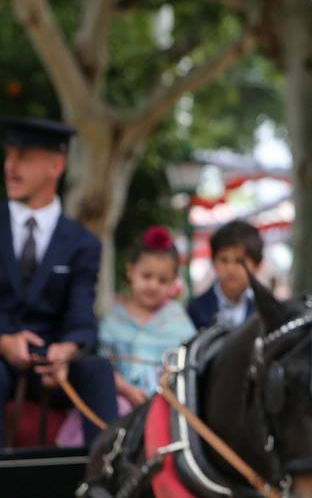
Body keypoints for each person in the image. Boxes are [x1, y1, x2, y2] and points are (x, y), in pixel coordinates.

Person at [0, 115, 116, 446]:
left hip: (51, 363)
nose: (11, 166)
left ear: (56, 166)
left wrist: (68, 349)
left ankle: (105, 484)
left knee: (97, 371)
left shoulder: (84, 242)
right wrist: (4, 341)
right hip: (2, 356)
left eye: (24, 157)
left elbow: (82, 311)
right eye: (9, 155)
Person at [99, 225, 197, 408]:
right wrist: (124, 388)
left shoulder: (177, 319)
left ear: (174, 281)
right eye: (146, 276)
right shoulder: (114, 318)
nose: (153, 285)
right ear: (130, 272)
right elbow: (103, 363)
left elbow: (187, 362)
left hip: (167, 403)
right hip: (117, 399)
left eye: (162, 280)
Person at [187, 219, 262, 330]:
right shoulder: (196, 310)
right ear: (213, 262)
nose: (230, 269)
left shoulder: (264, 311)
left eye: (240, 261)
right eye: (224, 260)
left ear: (257, 265)